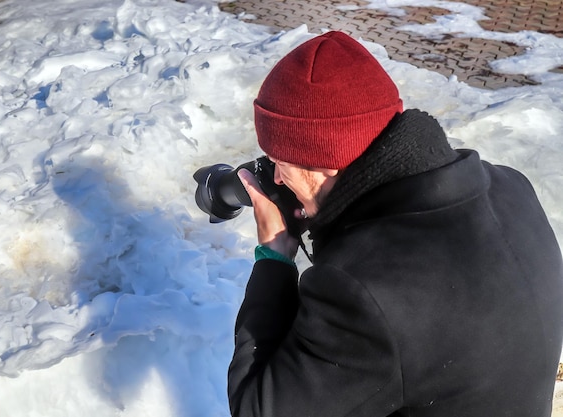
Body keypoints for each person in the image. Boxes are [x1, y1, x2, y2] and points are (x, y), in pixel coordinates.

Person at [228, 31, 563, 417]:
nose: (279, 180)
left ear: (325, 163)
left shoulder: (362, 289)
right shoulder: (511, 186)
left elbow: (257, 408)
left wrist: (273, 255)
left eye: (279, 162)